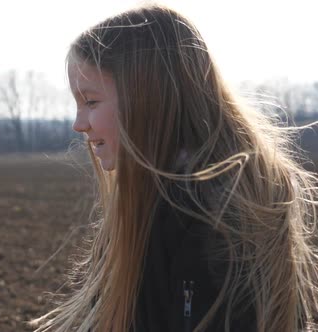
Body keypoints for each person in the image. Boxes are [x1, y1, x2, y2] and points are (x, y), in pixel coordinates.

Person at [31, 3, 318, 332]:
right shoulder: (151, 207)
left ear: (149, 97)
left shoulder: (208, 222)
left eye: (91, 101)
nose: (79, 124)